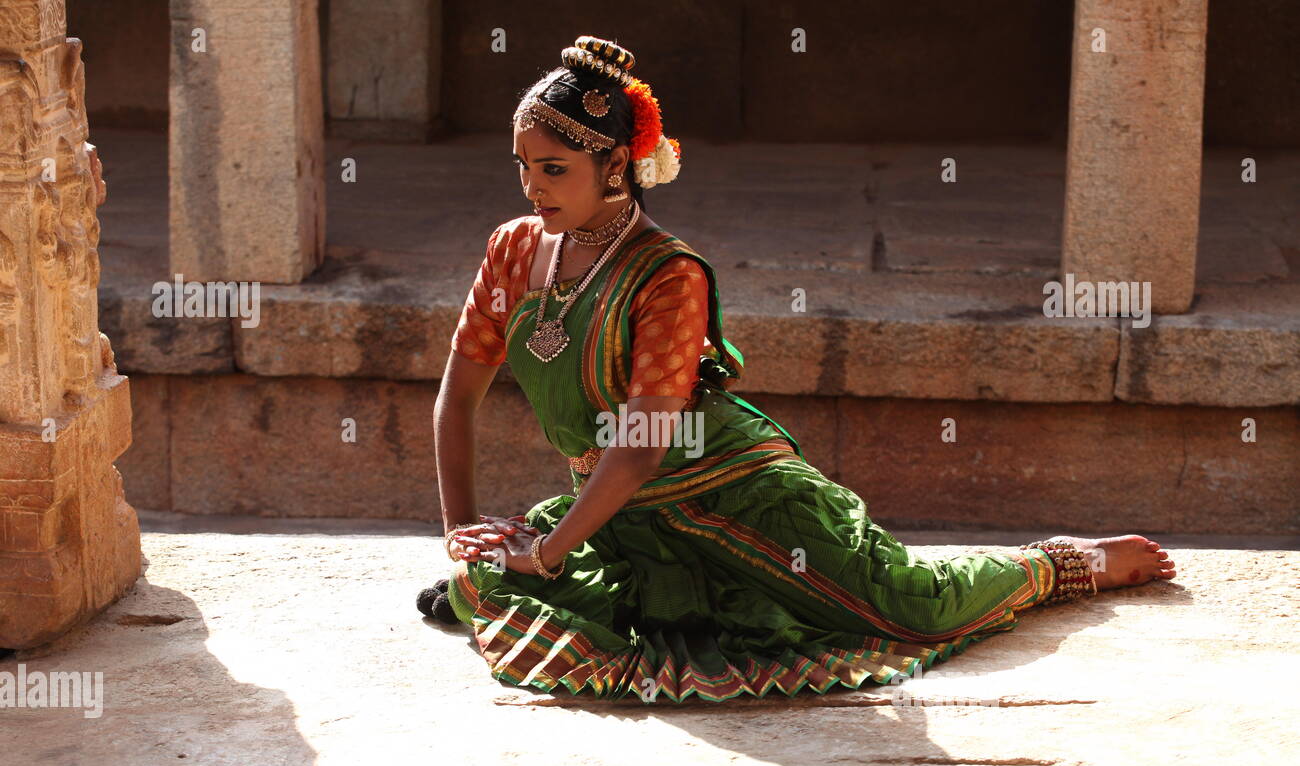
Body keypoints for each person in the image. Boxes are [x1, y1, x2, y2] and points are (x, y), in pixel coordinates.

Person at [425, 36, 1176, 703]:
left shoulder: (666, 276)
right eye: (522, 167)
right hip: (620, 513)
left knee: (905, 609)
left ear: (617, 163)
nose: (532, 187)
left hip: (734, 495)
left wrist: (551, 553)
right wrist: (459, 532)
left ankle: (1063, 563)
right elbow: (458, 397)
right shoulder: (515, 249)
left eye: (553, 169)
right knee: (481, 578)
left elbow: (643, 445)